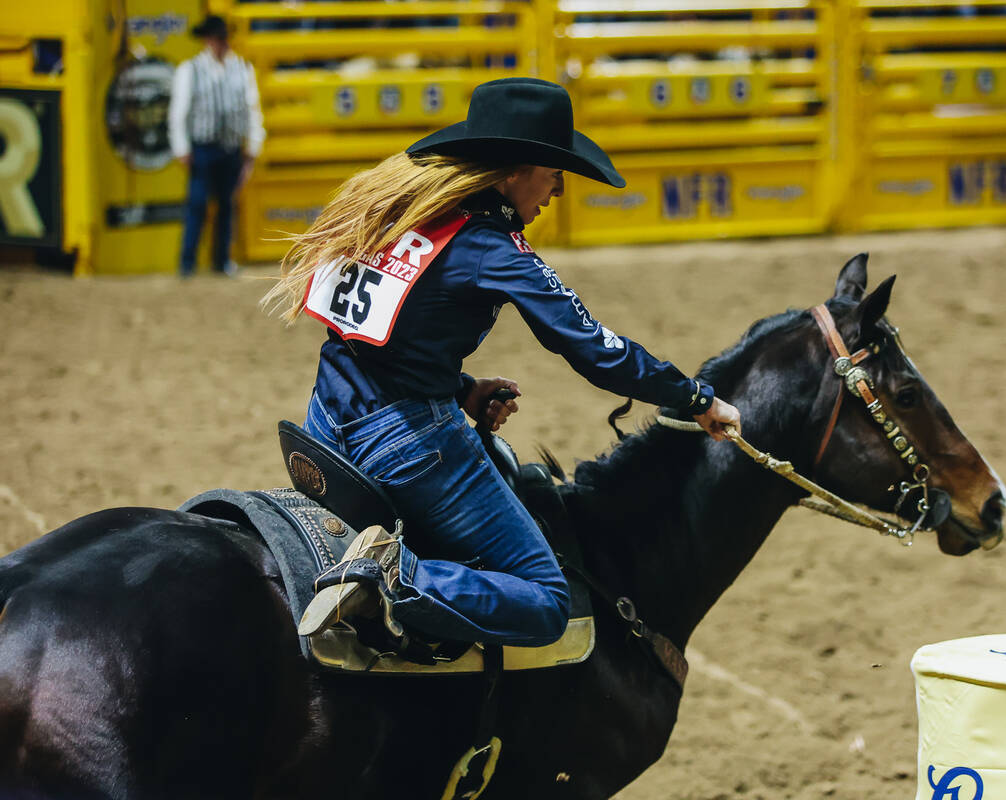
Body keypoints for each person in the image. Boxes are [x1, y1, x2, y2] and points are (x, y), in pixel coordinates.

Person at [263, 77, 741, 651]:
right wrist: (695, 397)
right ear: (518, 170)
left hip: (325, 424)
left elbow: (371, 341)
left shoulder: (408, 217)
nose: (559, 189)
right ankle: (391, 578)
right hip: (406, 443)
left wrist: (460, 389)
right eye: (554, 171)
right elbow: (594, 348)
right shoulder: (490, 245)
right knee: (545, 599)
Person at [167, 15, 265, 276]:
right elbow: (179, 112)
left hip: (230, 147)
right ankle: (187, 264)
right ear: (207, 40)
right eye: (216, 38)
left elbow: (252, 109)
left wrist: (252, 147)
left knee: (226, 204)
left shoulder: (242, 68)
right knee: (197, 204)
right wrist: (182, 147)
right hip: (203, 147)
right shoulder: (190, 70)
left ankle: (221, 261)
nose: (220, 43)